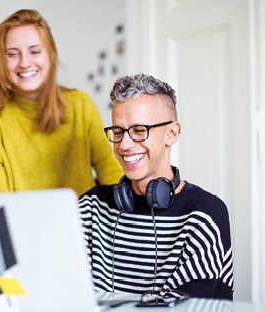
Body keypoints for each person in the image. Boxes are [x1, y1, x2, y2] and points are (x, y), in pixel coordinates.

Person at [78, 74, 233, 300]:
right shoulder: (91, 207)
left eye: (139, 131)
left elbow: (196, 308)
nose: (124, 145)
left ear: (171, 134)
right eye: (118, 132)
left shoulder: (204, 214)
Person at [0, 9, 123, 196]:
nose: (25, 63)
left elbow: (111, 171)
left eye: (34, 51)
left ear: (50, 54)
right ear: (1, 60)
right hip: (21, 224)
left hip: (84, 224)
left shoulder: (80, 105)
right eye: (13, 54)